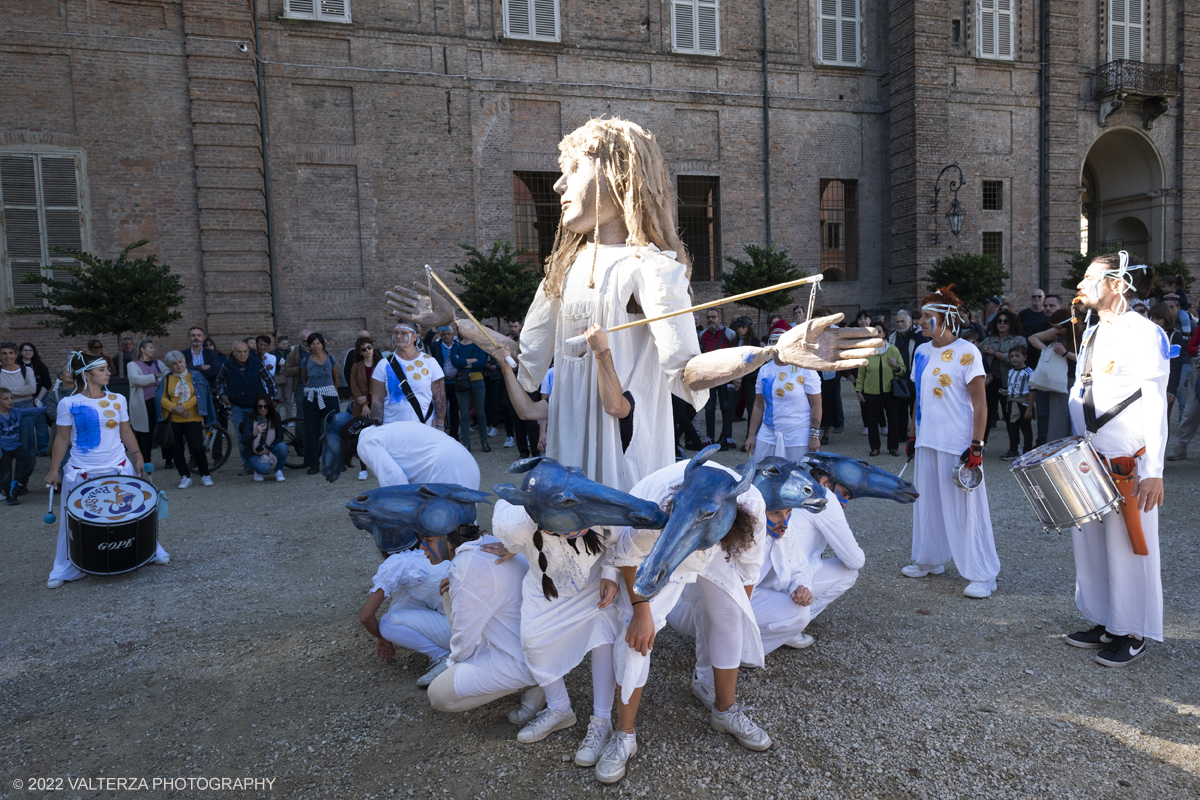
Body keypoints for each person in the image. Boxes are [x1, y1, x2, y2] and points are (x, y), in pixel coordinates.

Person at [390, 118, 879, 491]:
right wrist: (456, 322)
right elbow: (520, 359)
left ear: (617, 173)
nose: (559, 186)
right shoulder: (561, 272)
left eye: (573, 170)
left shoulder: (652, 267)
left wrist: (774, 352)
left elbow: (687, 371)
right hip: (567, 448)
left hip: (627, 453)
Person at [604, 454, 768, 783]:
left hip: (715, 534)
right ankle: (624, 734)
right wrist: (641, 611)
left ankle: (725, 709)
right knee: (635, 637)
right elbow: (626, 553)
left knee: (729, 612)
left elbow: (749, 569)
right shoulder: (658, 505)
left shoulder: (749, 504)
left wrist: (730, 616)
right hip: (663, 537)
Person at [1063, 252, 1167, 667]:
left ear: (1117, 284)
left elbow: (1157, 404)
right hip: (1091, 458)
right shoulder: (1091, 332)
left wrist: (1154, 471)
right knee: (1092, 546)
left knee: (1129, 547)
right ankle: (1108, 619)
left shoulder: (1145, 333)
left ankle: (1134, 630)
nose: (1080, 285)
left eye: (1090, 278)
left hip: (1129, 461)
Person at [903, 286, 1000, 599]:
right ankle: (930, 559)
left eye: (927, 316)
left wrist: (977, 445)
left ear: (945, 320)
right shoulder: (919, 351)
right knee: (927, 501)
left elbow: (981, 404)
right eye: (921, 316)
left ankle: (983, 574)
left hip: (957, 442)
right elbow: (918, 398)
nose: (920, 321)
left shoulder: (967, 352)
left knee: (966, 509)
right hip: (927, 438)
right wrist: (912, 432)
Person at [45, 352, 169, 588]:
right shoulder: (68, 403)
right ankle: (65, 565)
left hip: (117, 466)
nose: (108, 372)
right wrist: (53, 470)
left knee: (132, 513)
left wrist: (138, 456)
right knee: (73, 520)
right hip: (82, 470)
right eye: (102, 370)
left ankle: (149, 550)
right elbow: (61, 439)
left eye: (107, 369)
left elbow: (126, 432)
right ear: (86, 375)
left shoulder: (117, 400)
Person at [426, 534, 542, 723]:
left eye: (427, 540)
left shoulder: (464, 566)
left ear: (448, 541)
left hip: (524, 658)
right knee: (448, 593)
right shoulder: (488, 540)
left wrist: (453, 665)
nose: (422, 546)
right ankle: (526, 678)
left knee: (438, 695)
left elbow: (464, 638)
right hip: (534, 643)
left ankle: (533, 684)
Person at [358, 526, 473, 687]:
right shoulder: (431, 556)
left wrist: (382, 638)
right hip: (478, 628)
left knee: (387, 624)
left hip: (465, 635)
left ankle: (444, 657)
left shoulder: (399, 563)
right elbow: (402, 605)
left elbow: (365, 616)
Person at [331, 418, 480, 489]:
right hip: (466, 461)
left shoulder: (366, 442)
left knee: (447, 536)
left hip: (445, 469)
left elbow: (394, 480)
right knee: (465, 532)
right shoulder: (389, 430)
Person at [745, 330, 822, 463]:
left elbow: (816, 405)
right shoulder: (764, 370)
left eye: (781, 341)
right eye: (774, 341)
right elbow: (758, 405)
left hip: (798, 434)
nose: (778, 345)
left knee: (798, 477)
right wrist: (751, 435)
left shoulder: (805, 369)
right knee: (759, 474)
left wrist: (814, 435)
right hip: (768, 432)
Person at [371, 322, 447, 434]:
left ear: (415, 337)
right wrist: (377, 426)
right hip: (392, 427)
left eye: (403, 333)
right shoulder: (383, 364)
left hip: (424, 426)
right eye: (396, 333)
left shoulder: (430, 362)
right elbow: (377, 399)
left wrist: (440, 426)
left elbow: (440, 396)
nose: (398, 336)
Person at [215, 340, 276, 476]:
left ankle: (263, 460)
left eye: (245, 351)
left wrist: (271, 398)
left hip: (257, 406)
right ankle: (248, 463)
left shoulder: (257, 362)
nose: (242, 354)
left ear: (248, 352)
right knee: (242, 435)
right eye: (239, 352)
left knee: (262, 434)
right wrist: (221, 394)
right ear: (233, 353)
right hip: (237, 405)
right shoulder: (227, 364)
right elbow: (218, 381)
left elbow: (269, 380)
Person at [157, 351, 216, 489]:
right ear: (170, 366)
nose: (178, 365)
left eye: (180, 362)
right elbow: (161, 398)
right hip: (173, 420)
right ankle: (184, 476)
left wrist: (183, 407)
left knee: (197, 448)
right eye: (174, 363)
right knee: (176, 450)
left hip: (193, 418)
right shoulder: (166, 379)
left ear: (185, 362)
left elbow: (200, 395)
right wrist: (175, 408)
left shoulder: (196, 376)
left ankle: (205, 475)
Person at [1028, 309, 1081, 442]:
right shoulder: (1057, 332)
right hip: (1061, 380)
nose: (1056, 331)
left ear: (1068, 325)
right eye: (1055, 328)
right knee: (1058, 418)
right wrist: (1048, 351)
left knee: (1078, 418)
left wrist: (1065, 353)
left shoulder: (1083, 333)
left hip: (1079, 380)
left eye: (1059, 328)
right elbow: (1033, 338)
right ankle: (1057, 451)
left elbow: (1088, 359)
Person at [854, 326, 906, 456]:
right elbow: (861, 374)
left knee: (893, 419)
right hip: (871, 391)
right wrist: (858, 391)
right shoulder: (866, 353)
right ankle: (875, 447)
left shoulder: (893, 350)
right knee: (872, 421)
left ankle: (893, 447)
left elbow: (903, 370)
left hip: (890, 391)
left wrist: (895, 366)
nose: (877, 335)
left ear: (885, 334)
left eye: (879, 332)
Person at [979, 311, 1027, 446]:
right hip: (990, 382)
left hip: (1010, 383)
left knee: (1010, 416)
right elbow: (974, 354)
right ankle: (981, 445)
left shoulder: (1019, 340)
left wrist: (994, 353)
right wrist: (981, 352)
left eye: (1006, 321)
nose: (1002, 323)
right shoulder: (989, 340)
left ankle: (1014, 447)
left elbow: (1016, 360)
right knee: (986, 415)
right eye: (999, 321)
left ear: (1011, 323)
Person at [300, 332, 339, 475]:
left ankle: (334, 461)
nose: (315, 346)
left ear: (323, 344)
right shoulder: (305, 361)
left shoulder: (331, 359)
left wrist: (330, 392)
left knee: (332, 429)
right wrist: (312, 391)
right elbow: (305, 380)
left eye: (318, 343)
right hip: (311, 398)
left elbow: (336, 379)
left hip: (329, 396)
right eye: (312, 344)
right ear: (309, 346)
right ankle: (313, 463)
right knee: (311, 430)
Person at [0, 387, 46, 504]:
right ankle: (9, 496)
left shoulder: (16, 412)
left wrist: (53, 407)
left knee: (30, 461)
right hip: (3, 448)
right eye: (6, 399)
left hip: (16, 446)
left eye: (11, 398)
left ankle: (20, 484)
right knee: (6, 474)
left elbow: (32, 411)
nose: (10, 401)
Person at [699, 309, 737, 450]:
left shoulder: (730, 334)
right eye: (708, 317)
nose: (711, 320)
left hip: (725, 376)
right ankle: (710, 436)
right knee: (709, 407)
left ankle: (727, 435)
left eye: (714, 317)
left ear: (720, 318)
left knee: (726, 407)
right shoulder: (702, 335)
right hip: (709, 376)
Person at [125, 340, 167, 465]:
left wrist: (147, 381)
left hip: (160, 402)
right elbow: (135, 380)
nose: (153, 350)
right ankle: (145, 461)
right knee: (144, 433)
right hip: (143, 404)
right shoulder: (132, 365)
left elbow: (167, 376)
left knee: (164, 430)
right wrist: (155, 377)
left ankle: (169, 460)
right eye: (150, 347)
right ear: (142, 349)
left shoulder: (158, 363)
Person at [451, 332, 492, 452]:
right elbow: (455, 362)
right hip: (462, 381)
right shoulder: (456, 346)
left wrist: (463, 362)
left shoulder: (479, 345)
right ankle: (466, 444)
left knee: (480, 413)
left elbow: (482, 363)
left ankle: (484, 442)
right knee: (464, 414)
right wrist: (472, 361)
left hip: (477, 380)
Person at [0, 341, 39, 457]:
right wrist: (22, 390)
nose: (8, 356)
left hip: (25, 406)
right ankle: (5, 473)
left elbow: (32, 389)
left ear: (16, 354)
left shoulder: (27, 370)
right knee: (4, 442)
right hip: (4, 410)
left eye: (11, 353)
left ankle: (22, 475)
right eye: (4, 353)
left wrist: (5, 391)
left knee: (26, 442)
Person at [239, 394, 288, 482]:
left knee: (283, 447)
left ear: (269, 406)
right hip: (253, 452)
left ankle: (278, 471)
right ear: (256, 407)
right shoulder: (249, 419)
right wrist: (254, 433)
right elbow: (244, 441)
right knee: (264, 469)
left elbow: (280, 437)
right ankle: (258, 470)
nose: (263, 409)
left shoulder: (275, 417)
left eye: (265, 406)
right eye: (260, 406)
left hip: (269, 448)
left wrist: (269, 449)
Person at [999, 345, 1035, 460]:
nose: (1014, 359)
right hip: (1012, 403)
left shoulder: (1028, 372)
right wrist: (1007, 404)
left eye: (1017, 356)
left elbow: (1033, 391)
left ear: (1025, 357)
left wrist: (1029, 408)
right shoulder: (1011, 372)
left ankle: (1027, 450)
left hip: (1023, 403)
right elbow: (1010, 389)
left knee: (1026, 428)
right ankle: (1013, 450)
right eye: (1012, 356)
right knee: (1012, 427)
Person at [428, 325, 460, 441]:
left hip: (455, 382)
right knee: (440, 409)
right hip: (441, 384)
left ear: (452, 335)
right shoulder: (436, 346)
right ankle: (441, 435)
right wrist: (432, 332)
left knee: (454, 411)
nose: (446, 336)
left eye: (448, 334)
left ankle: (454, 435)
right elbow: (425, 344)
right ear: (440, 336)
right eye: (444, 334)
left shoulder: (458, 346)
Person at [17, 343, 51, 455]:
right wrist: (29, 397)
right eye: (25, 350)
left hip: (40, 396)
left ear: (34, 351)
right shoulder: (16, 366)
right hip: (24, 399)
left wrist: (38, 399)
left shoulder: (40, 366)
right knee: (26, 425)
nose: (28, 352)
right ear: (20, 352)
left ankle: (43, 449)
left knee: (41, 423)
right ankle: (28, 450)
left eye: (30, 350)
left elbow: (47, 383)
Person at [730, 317, 761, 423]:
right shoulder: (735, 340)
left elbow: (753, 361)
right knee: (730, 407)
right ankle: (726, 436)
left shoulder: (754, 341)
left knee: (751, 407)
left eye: (743, 327)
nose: (740, 329)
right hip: (736, 377)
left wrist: (742, 375)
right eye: (738, 327)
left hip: (750, 377)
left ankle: (751, 435)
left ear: (748, 328)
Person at [281, 328, 312, 425]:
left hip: (317, 387)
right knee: (301, 416)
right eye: (304, 341)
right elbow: (287, 370)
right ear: (300, 340)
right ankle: (301, 439)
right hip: (301, 387)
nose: (306, 343)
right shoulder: (295, 353)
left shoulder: (319, 350)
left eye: (308, 340)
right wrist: (300, 369)